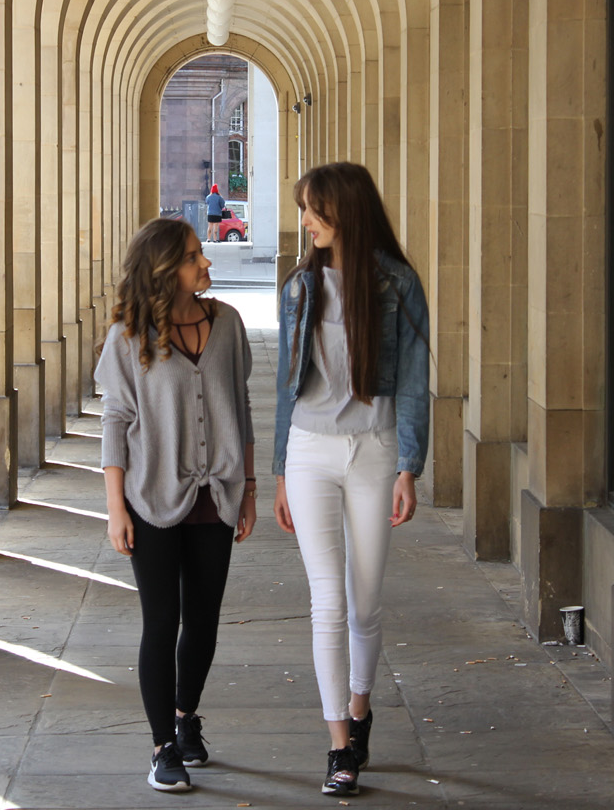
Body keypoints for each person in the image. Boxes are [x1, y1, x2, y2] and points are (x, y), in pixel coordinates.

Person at [272, 161, 430, 797]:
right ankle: (339, 746)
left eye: (313, 209)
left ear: (346, 212)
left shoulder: (397, 285)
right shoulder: (297, 287)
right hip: (311, 449)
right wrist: (281, 468)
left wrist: (409, 467)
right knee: (328, 603)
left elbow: (416, 380)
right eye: (302, 209)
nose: (304, 221)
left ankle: (360, 714)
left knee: (364, 602)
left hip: (374, 450)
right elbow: (288, 386)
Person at [95, 217, 259, 793]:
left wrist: (250, 486)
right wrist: (116, 508)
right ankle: (163, 745)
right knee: (161, 621)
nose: (206, 264)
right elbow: (116, 423)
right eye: (195, 257)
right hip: (150, 497)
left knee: (205, 620)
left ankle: (187, 715)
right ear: (166, 269)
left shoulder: (229, 324)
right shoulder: (127, 337)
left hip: (216, 493)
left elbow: (239, 405)